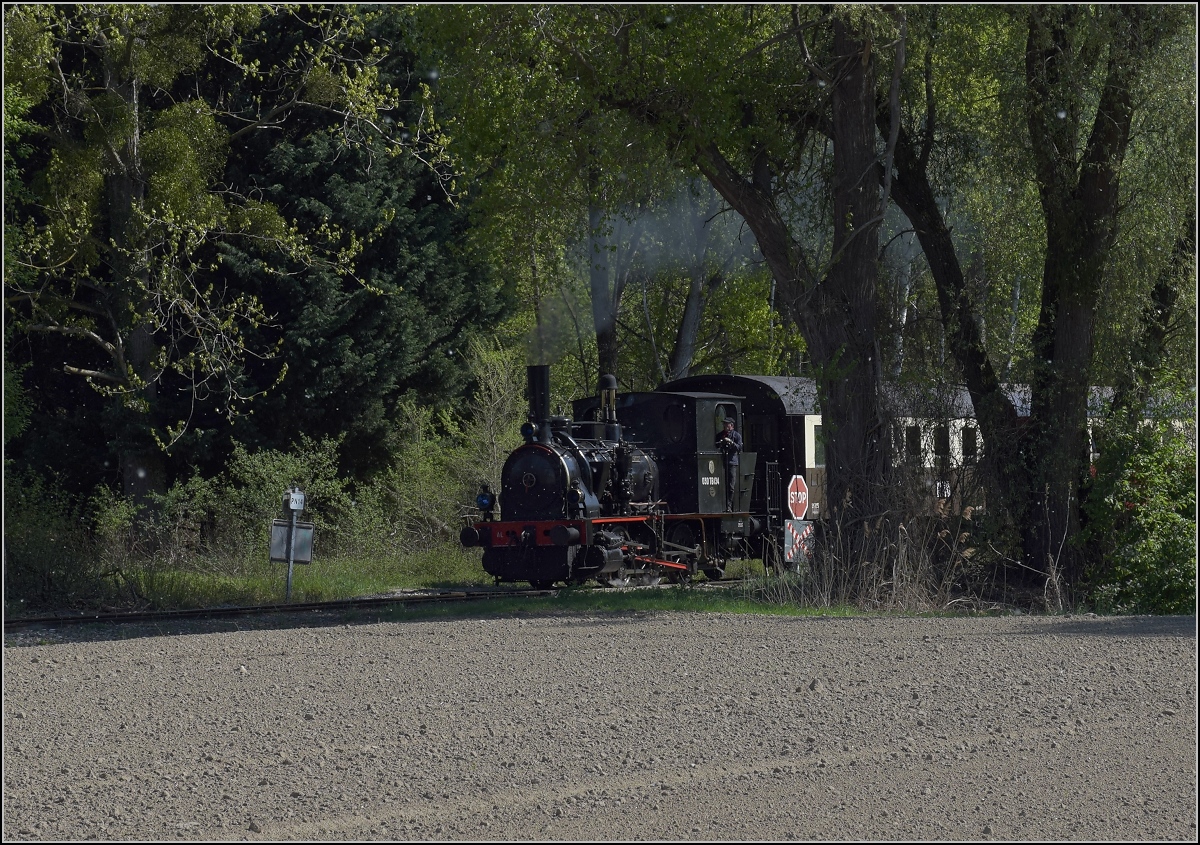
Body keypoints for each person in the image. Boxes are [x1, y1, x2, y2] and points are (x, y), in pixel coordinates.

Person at [716, 417, 743, 511]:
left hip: (732, 462)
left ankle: (729, 506)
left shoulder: (737, 435)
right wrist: (721, 443)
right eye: (724, 424)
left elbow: (739, 448)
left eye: (727, 424)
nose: (725, 426)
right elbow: (715, 445)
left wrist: (731, 442)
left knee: (731, 485)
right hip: (721, 461)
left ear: (731, 425)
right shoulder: (720, 435)